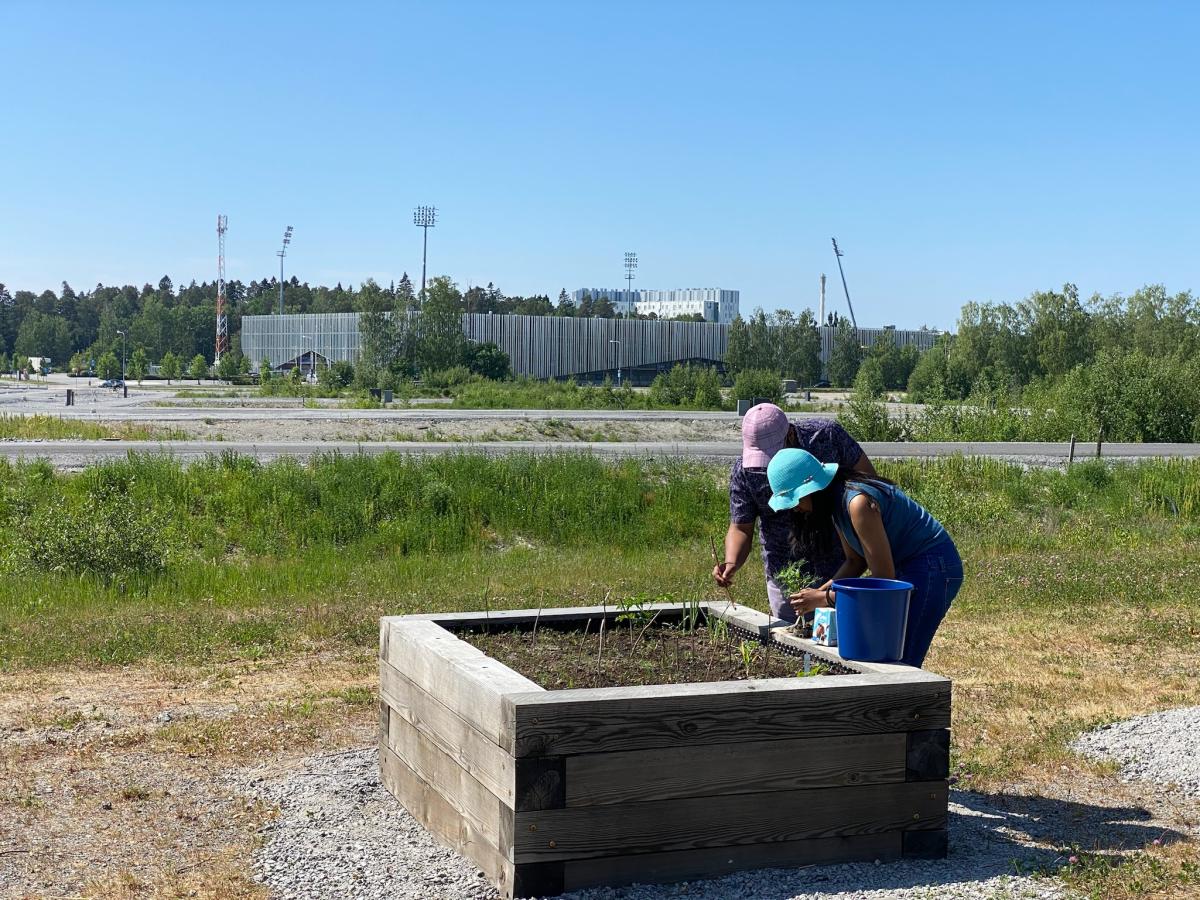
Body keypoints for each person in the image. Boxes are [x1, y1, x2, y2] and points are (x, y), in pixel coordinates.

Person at [765, 448, 963, 667]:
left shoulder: (857, 503)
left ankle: (904, 700)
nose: (795, 509)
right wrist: (818, 593)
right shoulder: (837, 505)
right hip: (911, 565)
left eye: (795, 501)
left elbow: (883, 584)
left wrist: (825, 599)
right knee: (885, 652)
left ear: (811, 490)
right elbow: (855, 561)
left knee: (900, 658)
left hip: (933, 566)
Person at [712, 404, 875, 622]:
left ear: (790, 433)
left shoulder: (826, 436)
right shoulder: (745, 471)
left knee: (836, 640)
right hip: (785, 569)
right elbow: (741, 526)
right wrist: (731, 563)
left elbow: (868, 482)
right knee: (792, 641)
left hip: (841, 562)